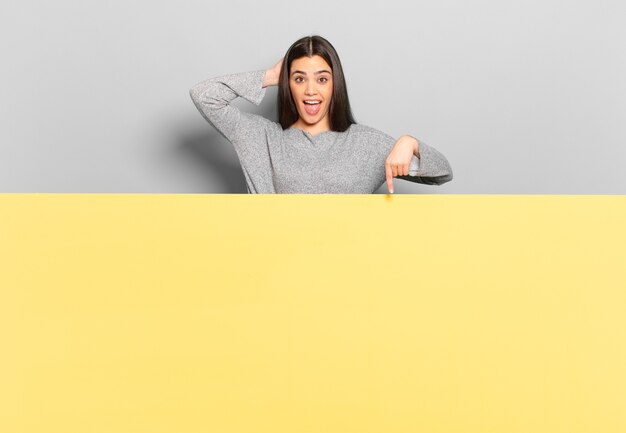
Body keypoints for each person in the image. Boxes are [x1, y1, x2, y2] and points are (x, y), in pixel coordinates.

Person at [189, 35, 453, 194]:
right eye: (299, 79)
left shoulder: (366, 144)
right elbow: (204, 95)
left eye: (322, 79)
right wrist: (269, 76)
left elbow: (441, 173)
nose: (311, 90)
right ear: (287, 84)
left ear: (335, 85)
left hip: (347, 271)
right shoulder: (261, 138)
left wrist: (409, 142)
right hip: (276, 270)